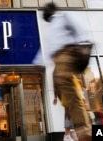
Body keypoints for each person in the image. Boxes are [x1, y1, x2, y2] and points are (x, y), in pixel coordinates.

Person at [43, 2, 92, 141]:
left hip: (67, 53)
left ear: (51, 11)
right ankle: (82, 131)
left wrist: (84, 45)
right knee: (65, 87)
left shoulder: (63, 16)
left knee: (70, 92)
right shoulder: (50, 27)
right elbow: (46, 50)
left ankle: (83, 132)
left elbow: (79, 29)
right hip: (59, 59)